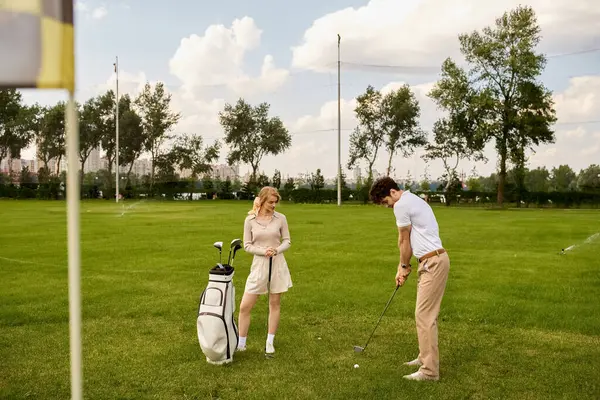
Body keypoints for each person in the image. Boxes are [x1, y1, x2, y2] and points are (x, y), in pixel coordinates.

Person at [369, 176, 450, 381]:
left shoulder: (401, 205)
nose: (387, 207)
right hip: (431, 260)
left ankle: (429, 371)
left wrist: (403, 267)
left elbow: (403, 239)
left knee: (424, 316)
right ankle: (425, 357)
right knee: (424, 315)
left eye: (385, 202)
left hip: (432, 262)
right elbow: (410, 239)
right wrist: (404, 266)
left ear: (392, 193)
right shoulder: (412, 199)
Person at [237, 186, 293, 355]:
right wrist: (264, 251)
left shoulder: (281, 218)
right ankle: (241, 344)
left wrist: (276, 250)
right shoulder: (250, 220)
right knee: (245, 306)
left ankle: (270, 342)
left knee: (274, 303)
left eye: (276, 202)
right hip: (259, 264)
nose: (274, 205)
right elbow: (247, 245)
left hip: (277, 263)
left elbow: (287, 241)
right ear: (261, 200)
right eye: (270, 202)